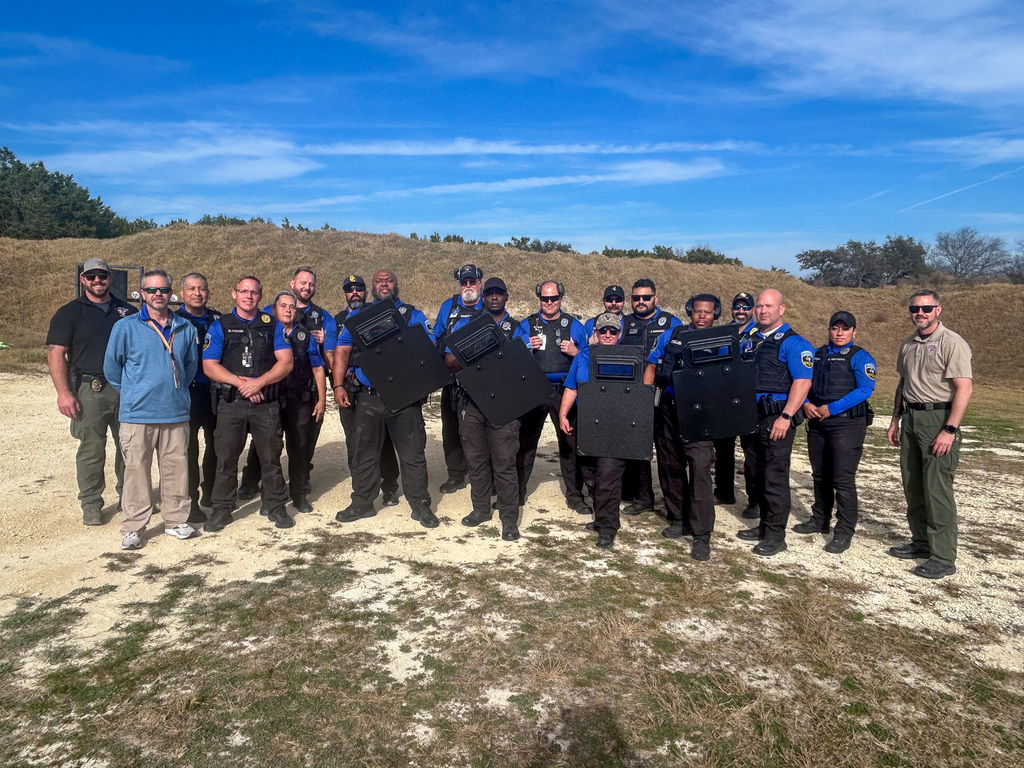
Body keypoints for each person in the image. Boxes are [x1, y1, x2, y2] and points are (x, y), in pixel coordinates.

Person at [333, 269, 438, 528]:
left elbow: (430, 345)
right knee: (364, 453)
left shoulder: (412, 314)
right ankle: (362, 503)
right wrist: (337, 385)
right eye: (378, 281)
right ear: (372, 287)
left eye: (389, 280)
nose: (384, 284)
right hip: (369, 398)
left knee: (412, 454)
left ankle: (420, 504)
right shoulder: (358, 317)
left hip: (404, 397)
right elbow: (342, 351)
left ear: (396, 285)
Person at [103, 269, 199, 550]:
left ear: (171, 294)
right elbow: (112, 367)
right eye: (152, 290)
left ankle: (175, 520)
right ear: (142, 294)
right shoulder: (126, 327)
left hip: (175, 412)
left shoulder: (185, 327)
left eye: (164, 290)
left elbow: (189, 367)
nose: (158, 295)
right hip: (137, 415)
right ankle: (134, 526)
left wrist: (175, 392)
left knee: (176, 469)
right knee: (136, 471)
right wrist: (134, 393)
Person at [886, 290, 972, 580]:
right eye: (915, 308)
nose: (920, 313)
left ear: (938, 310)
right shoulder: (908, 343)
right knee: (914, 485)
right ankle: (921, 542)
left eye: (926, 308)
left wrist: (949, 429)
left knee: (937, 490)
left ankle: (943, 556)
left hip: (939, 418)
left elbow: (964, 388)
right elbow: (903, 382)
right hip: (911, 417)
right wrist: (895, 419)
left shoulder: (952, 343)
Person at [46, 257, 137, 525]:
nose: (98, 280)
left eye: (102, 276)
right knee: (92, 450)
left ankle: (129, 498)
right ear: (82, 279)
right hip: (90, 388)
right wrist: (64, 393)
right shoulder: (69, 312)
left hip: (126, 388)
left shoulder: (128, 312)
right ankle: (91, 503)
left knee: (130, 448)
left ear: (110, 278)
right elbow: (56, 354)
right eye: (92, 276)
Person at [202, 275, 295, 532]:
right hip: (232, 403)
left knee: (270, 457)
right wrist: (242, 383)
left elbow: (286, 362)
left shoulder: (272, 325)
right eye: (244, 291)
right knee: (226, 458)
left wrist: (260, 382)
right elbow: (209, 365)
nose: (248, 296)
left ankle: (276, 505)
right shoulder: (220, 326)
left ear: (260, 295)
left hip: (266, 402)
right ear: (234, 293)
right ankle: (222, 509)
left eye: (254, 292)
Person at [444, 277, 529, 541]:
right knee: (477, 462)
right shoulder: (466, 324)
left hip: (505, 405)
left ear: (506, 297)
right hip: (472, 402)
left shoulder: (517, 328)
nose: (494, 297)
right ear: (483, 296)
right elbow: (449, 359)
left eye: (499, 293)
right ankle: (480, 510)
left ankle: (509, 519)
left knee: (504, 463)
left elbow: (523, 364)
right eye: (490, 293)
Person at [735, 289, 814, 556]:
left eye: (769, 306)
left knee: (774, 476)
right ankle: (763, 526)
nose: (763, 310)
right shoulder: (749, 339)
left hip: (776, 417)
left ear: (781, 310)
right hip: (749, 416)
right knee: (754, 473)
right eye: (759, 306)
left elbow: (803, 382)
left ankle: (776, 535)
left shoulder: (795, 344)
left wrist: (786, 417)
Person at [643, 295, 720, 561]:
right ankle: (679, 518)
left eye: (707, 312)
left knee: (699, 470)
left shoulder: (723, 339)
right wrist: (647, 397)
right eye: (697, 311)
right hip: (668, 407)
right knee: (669, 464)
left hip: (701, 413)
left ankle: (701, 534)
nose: (701, 316)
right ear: (690, 312)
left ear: (715, 315)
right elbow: (652, 365)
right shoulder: (670, 335)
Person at [795, 311, 876, 554]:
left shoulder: (860, 357)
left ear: (854, 332)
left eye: (845, 328)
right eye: (835, 328)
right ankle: (819, 519)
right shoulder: (817, 355)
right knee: (820, 475)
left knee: (842, 479)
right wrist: (806, 403)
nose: (839, 333)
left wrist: (832, 408)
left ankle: (844, 531)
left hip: (846, 424)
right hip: (818, 422)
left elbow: (865, 389)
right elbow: (802, 382)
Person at [238, 291, 326, 515]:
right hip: (271, 398)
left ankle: (298, 495)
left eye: (292, 307)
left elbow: (317, 368)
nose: (288, 310)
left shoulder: (305, 336)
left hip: (299, 400)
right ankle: (269, 496)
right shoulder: (264, 333)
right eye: (283, 306)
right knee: (267, 449)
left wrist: (322, 400)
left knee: (299, 448)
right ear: (274, 310)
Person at [516, 281, 589, 512]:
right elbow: (511, 355)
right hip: (533, 390)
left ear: (561, 298)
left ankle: (575, 496)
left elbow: (587, 357)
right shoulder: (526, 324)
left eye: (554, 298)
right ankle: (516, 492)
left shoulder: (575, 325)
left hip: (563, 391)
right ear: (539, 299)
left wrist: (575, 352)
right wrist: (526, 348)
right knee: (525, 443)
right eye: (545, 299)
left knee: (570, 443)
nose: (549, 303)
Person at [560, 313, 627, 548]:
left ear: (620, 335)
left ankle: (608, 527)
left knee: (608, 475)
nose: (608, 335)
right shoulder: (583, 357)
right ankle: (601, 519)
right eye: (603, 331)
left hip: (613, 426)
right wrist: (563, 414)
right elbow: (571, 387)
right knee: (589, 472)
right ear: (595, 333)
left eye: (613, 331)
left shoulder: (629, 358)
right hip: (586, 422)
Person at [334, 275, 401, 507]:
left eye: (359, 289)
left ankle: (389, 486)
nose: (354, 293)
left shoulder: (377, 313)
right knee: (358, 441)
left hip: (375, 387)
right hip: (352, 387)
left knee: (384, 442)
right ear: (344, 293)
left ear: (366, 292)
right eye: (349, 290)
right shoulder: (340, 319)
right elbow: (334, 352)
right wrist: (338, 383)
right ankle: (362, 487)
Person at [619, 279, 681, 517]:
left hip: (663, 394)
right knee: (639, 449)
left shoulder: (671, 323)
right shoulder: (624, 322)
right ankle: (643, 497)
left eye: (646, 297)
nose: (641, 302)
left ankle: (673, 502)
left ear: (655, 298)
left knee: (667, 451)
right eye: (636, 298)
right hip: (633, 395)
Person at [433, 264, 485, 494]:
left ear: (480, 283)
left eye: (472, 282)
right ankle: (456, 475)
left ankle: (482, 475)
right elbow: (436, 336)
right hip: (450, 382)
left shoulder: (489, 307)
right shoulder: (449, 306)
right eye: (464, 282)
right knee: (451, 431)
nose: (468, 286)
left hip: (479, 381)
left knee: (476, 433)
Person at [175, 272, 221, 523]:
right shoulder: (174, 320)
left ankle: (211, 492)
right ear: (182, 293)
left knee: (217, 444)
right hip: (187, 392)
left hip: (214, 392)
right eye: (191, 289)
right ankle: (190, 500)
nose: (197, 293)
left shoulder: (217, 319)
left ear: (208, 292)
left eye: (201, 289)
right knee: (188, 449)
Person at [289, 266, 336, 488]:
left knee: (307, 435)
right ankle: (253, 478)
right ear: (292, 284)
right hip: (279, 385)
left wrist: (324, 340)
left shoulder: (323, 316)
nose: (307, 287)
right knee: (269, 435)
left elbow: (331, 353)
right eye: (303, 283)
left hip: (310, 384)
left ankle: (302, 477)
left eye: (311, 284)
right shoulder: (275, 311)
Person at [714, 292, 757, 514]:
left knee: (751, 451)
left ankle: (754, 500)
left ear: (752, 310)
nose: (741, 311)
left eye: (745, 307)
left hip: (749, 400)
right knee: (723, 449)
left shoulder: (760, 334)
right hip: (725, 399)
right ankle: (724, 491)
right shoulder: (723, 332)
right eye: (737, 307)